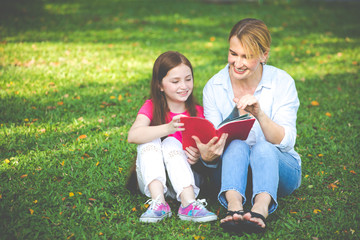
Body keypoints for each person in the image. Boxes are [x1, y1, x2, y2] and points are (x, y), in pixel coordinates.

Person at [192, 18, 302, 234]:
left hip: (279, 170)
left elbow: (286, 140)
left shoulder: (282, 82)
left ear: (264, 55)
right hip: (232, 171)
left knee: (263, 147)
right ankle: (234, 207)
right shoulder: (214, 86)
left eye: (247, 56)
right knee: (236, 145)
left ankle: (261, 208)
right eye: (233, 53)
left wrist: (259, 114)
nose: (238, 63)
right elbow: (215, 141)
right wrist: (207, 155)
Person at [127, 51, 217, 223]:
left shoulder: (198, 112)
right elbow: (133, 135)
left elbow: (209, 148)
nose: (183, 86)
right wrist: (167, 128)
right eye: (175, 81)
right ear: (160, 85)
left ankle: (189, 203)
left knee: (171, 143)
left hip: (186, 180)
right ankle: (158, 203)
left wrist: (199, 155)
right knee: (150, 139)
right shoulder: (151, 106)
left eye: (188, 79)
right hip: (152, 180)